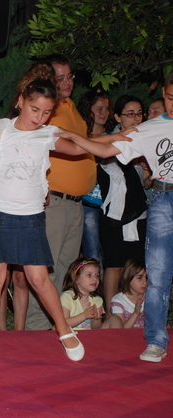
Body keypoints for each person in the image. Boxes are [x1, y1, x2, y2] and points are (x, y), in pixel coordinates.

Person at [0, 78, 117, 364]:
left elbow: (79, 149)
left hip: (31, 216)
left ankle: (64, 331)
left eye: (46, 112)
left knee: (38, 279)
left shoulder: (47, 135)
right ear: (21, 101)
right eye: (35, 109)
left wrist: (115, 139)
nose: (39, 117)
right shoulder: (2, 127)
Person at [58, 70, 173, 363]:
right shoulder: (149, 128)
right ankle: (156, 340)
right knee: (158, 273)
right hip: (164, 197)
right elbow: (106, 148)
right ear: (164, 95)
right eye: (171, 98)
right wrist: (74, 137)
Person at [25, 55, 93, 332]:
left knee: (65, 271)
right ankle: (35, 330)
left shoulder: (72, 107)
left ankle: (57, 328)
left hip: (77, 205)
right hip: (54, 201)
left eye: (69, 76)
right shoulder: (48, 110)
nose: (67, 82)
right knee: (45, 270)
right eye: (60, 78)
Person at [98, 95, 147, 315]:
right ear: (118, 117)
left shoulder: (146, 139)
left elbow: (146, 183)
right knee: (114, 264)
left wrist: (147, 171)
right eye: (130, 114)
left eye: (139, 114)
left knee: (137, 266)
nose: (136, 118)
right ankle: (112, 316)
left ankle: (137, 315)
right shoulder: (107, 140)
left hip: (139, 213)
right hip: (114, 213)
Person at [77, 89, 115, 261]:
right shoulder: (79, 136)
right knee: (92, 252)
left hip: (110, 203)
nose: (104, 113)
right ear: (88, 109)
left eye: (107, 108)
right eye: (99, 109)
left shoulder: (114, 136)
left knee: (109, 253)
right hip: (87, 201)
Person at [60, 258, 118, 329]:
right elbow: (62, 324)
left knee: (115, 320)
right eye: (89, 275)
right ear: (76, 278)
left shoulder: (97, 300)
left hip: (88, 334)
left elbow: (96, 329)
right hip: (70, 334)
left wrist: (96, 319)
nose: (95, 279)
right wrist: (84, 315)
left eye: (97, 275)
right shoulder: (67, 297)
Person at [111, 258, 147, 329]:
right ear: (128, 277)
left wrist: (151, 317)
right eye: (140, 278)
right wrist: (135, 313)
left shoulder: (151, 297)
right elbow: (121, 330)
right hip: (126, 335)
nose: (145, 282)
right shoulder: (118, 300)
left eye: (147, 278)